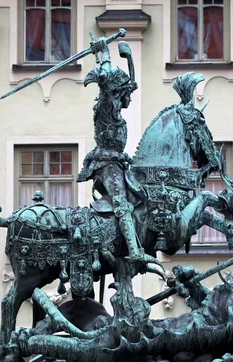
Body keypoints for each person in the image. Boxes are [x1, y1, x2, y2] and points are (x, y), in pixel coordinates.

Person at [77, 37, 159, 266]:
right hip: (106, 165)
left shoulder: (115, 111)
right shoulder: (106, 107)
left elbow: (131, 83)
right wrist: (105, 53)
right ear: (116, 93)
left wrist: (129, 57)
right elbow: (104, 79)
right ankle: (133, 249)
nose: (129, 97)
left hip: (118, 164)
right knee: (122, 204)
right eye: (126, 94)